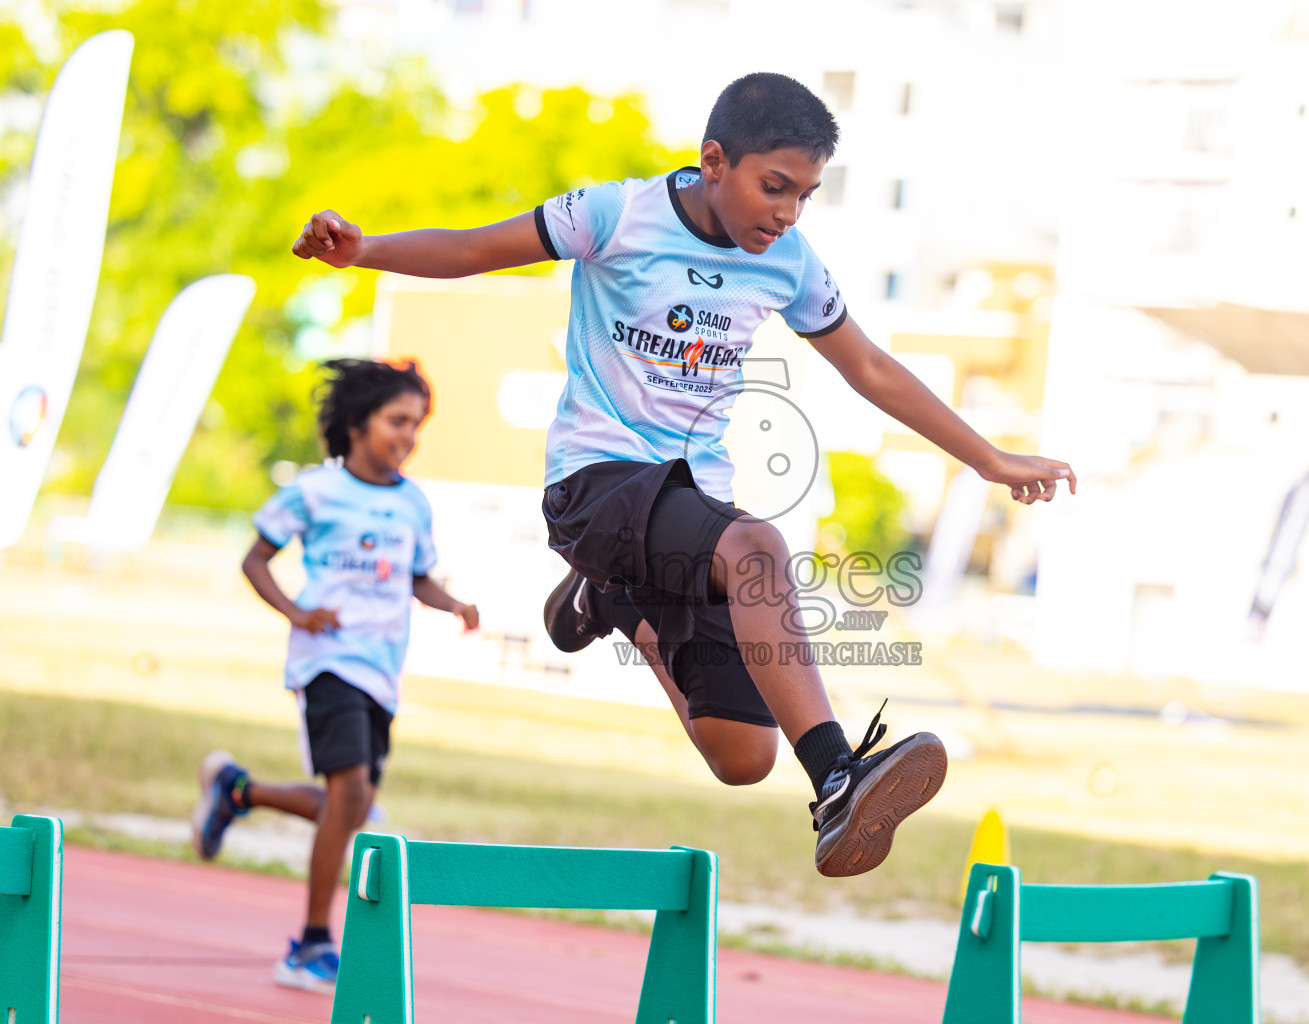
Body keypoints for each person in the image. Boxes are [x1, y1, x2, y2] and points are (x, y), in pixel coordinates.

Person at [289, 72, 1073, 878]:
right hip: (595, 483)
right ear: (713, 161)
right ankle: (839, 779)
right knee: (758, 551)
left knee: (742, 754)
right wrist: (367, 251)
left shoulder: (790, 263)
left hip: (691, 500)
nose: (787, 213)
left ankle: (613, 599)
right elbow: (471, 249)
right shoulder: (617, 215)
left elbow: (869, 366)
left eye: (805, 195)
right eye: (774, 187)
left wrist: (987, 459)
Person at [190, 358, 478, 993]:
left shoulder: (413, 502)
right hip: (326, 661)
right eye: (397, 421)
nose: (408, 436)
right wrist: (296, 612)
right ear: (357, 423)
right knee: (350, 796)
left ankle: (239, 791)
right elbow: (256, 557)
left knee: (355, 807)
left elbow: (417, 577)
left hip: (381, 671)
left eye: (417, 425)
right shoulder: (315, 491)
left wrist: (452, 604)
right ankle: (312, 944)